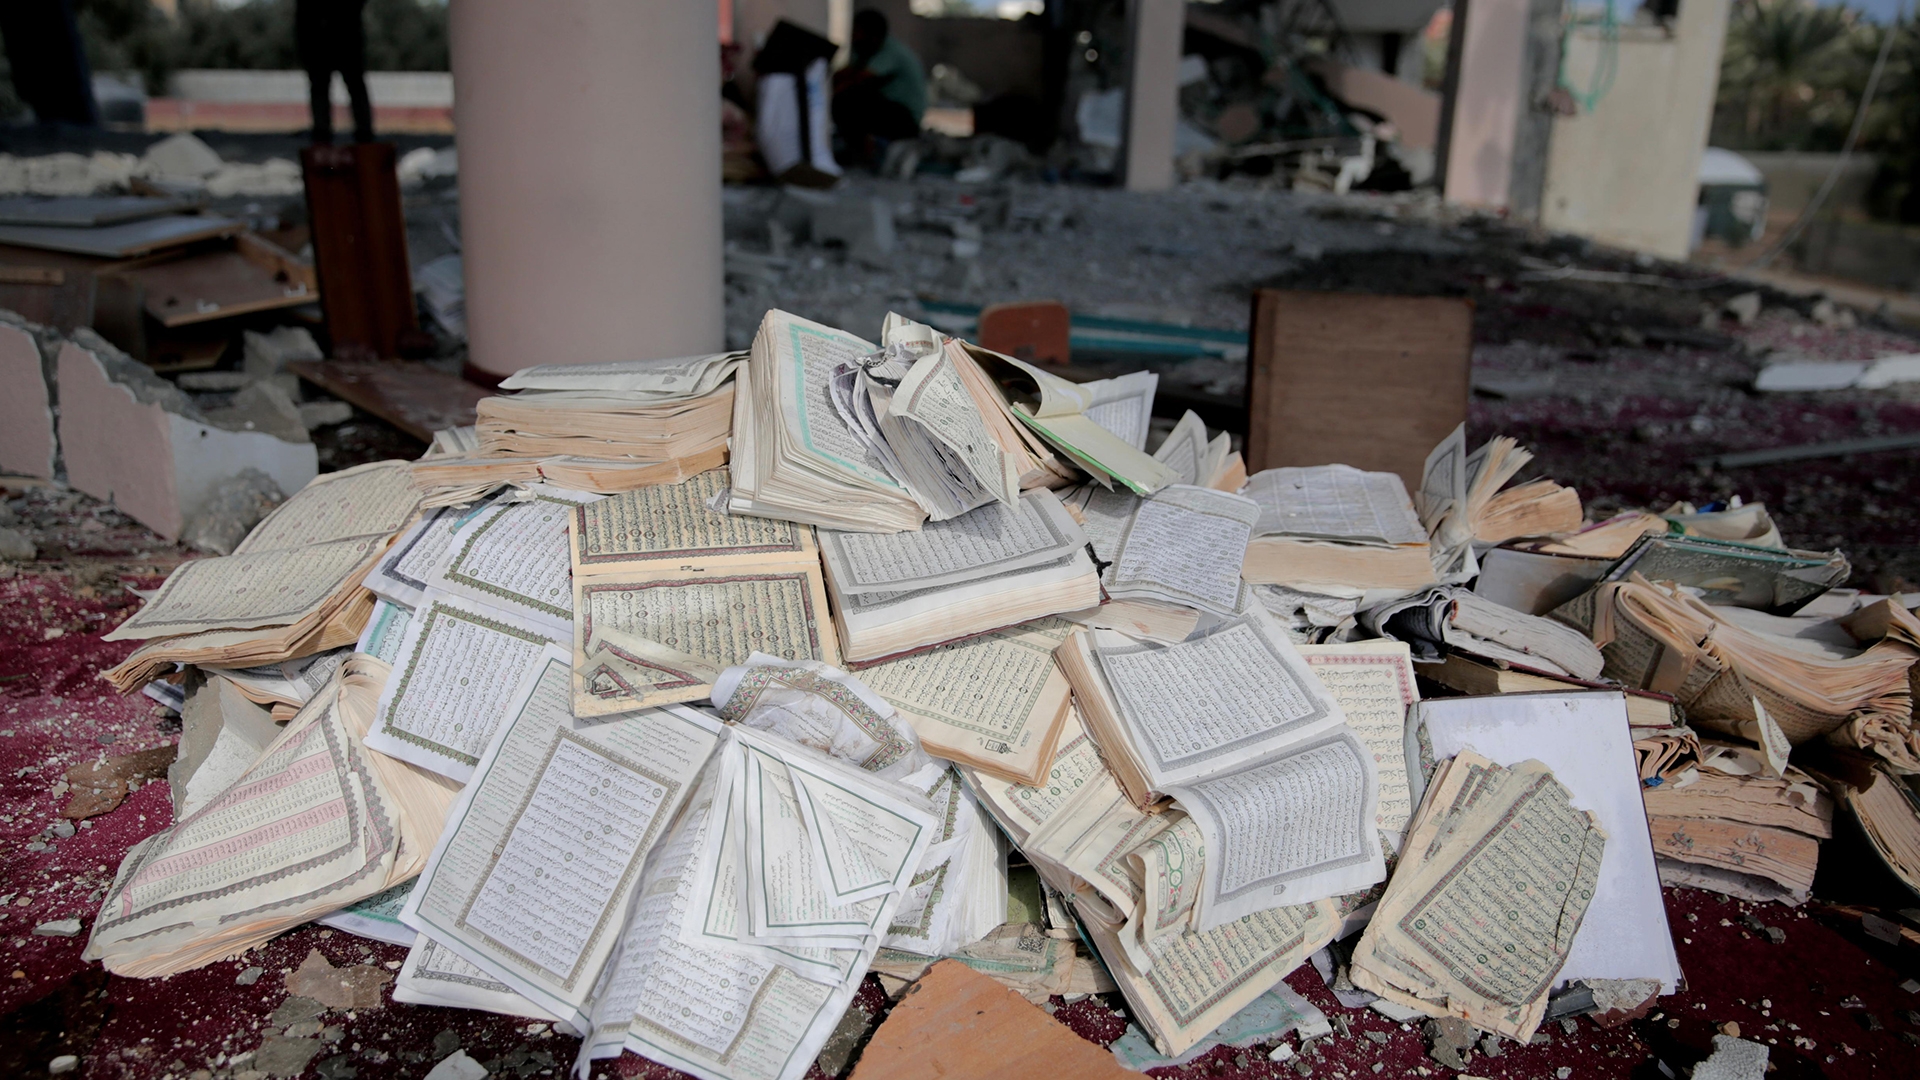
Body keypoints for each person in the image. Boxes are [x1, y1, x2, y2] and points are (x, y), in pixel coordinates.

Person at [831, 10, 926, 168]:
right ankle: (862, 150)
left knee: (848, 99)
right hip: (891, 112)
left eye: (858, 33)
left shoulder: (891, 51)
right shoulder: (864, 51)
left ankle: (866, 153)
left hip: (905, 120)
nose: (854, 37)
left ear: (873, 35)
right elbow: (844, 74)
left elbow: (859, 78)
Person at [296, 0, 374, 145]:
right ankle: (326, 138)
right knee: (347, 88)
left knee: (348, 87)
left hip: (335, 31)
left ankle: (362, 138)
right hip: (331, 31)